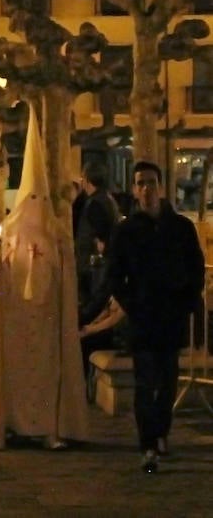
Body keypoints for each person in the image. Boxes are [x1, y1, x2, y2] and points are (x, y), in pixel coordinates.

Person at [0, 104, 88, 450]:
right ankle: (10, 422)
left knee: (46, 376)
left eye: (40, 198)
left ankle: (48, 427)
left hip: (46, 322)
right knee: (15, 376)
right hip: (16, 323)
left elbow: (65, 277)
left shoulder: (56, 236)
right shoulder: (11, 237)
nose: (35, 204)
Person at [105, 160, 206, 473]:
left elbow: (196, 268)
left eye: (151, 182)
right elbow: (114, 276)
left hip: (171, 316)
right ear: (135, 190)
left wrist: (187, 301)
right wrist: (132, 305)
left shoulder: (181, 228)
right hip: (143, 318)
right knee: (145, 381)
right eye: (141, 183)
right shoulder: (126, 231)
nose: (146, 189)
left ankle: (161, 432)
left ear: (161, 187)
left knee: (168, 379)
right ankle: (148, 444)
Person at [74, 161, 120, 310]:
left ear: (87, 179)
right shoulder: (107, 198)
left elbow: (101, 238)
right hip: (97, 267)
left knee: (91, 307)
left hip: (92, 268)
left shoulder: (95, 203)